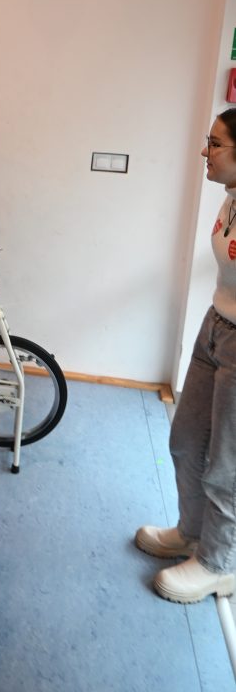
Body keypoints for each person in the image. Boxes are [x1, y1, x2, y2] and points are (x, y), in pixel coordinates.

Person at [135, 109, 236, 603]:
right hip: (215, 326)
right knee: (186, 441)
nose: (204, 151)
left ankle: (220, 563)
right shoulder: (230, 197)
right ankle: (192, 533)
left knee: (227, 463)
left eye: (215, 144)